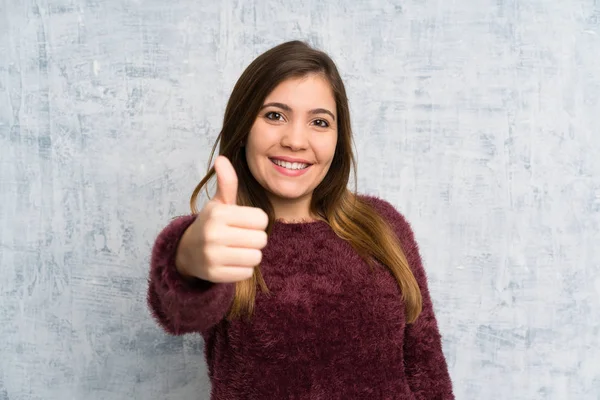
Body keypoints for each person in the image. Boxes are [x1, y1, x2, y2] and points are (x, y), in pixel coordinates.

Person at [147, 40, 454, 399]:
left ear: (338, 139)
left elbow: (425, 365)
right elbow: (179, 313)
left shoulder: (383, 224)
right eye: (274, 115)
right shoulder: (226, 236)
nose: (295, 140)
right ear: (243, 125)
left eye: (319, 122)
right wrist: (186, 260)